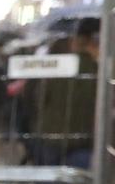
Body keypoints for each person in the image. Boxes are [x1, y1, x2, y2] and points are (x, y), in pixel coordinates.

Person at [26, 29, 101, 170]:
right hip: (83, 134)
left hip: (51, 133)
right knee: (78, 180)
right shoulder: (94, 67)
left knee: (50, 176)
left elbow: (39, 98)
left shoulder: (52, 69)